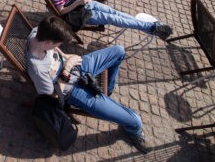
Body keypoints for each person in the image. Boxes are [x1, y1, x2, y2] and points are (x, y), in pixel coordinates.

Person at [25, 16, 150, 153]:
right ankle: (133, 131)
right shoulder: (38, 69)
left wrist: (65, 55)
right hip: (74, 90)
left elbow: (53, 49)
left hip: (76, 66)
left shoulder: (38, 32)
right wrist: (66, 69)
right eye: (58, 44)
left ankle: (108, 89)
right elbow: (53, 97)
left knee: (119, 51)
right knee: (135, 120)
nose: (58, 46)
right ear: (49, 43)